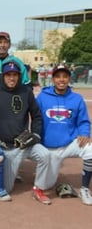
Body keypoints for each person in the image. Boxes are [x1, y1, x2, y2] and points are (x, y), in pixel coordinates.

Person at [0, 59, 52, 205]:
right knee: (6, 189)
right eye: (8, 74)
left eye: (15, 74)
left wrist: (35, 134)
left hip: (25, 144)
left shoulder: (26, 91)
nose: (12, 78)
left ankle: (38, 189)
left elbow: (36, 116)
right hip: (6, 148)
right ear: (3, 76)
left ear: (19, 76)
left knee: (46, 155)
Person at [36, 64, 92, 205]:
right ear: (53, 79)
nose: (62, 80)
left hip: (69, 143)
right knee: (48, 185)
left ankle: (84, 189)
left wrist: (84, 133)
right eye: (58, 76)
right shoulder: (42, 97)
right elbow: (36, 119)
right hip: (49, 148)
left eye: (65, 76)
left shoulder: (77, 98)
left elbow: (84, 121)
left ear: (69, 78)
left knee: (90, 149)